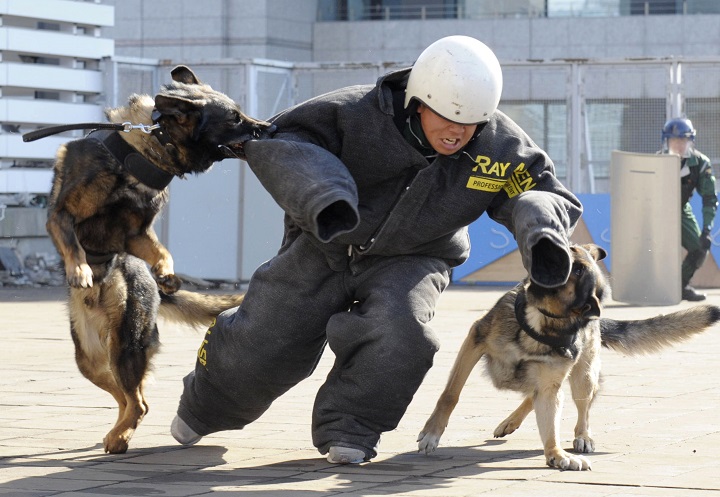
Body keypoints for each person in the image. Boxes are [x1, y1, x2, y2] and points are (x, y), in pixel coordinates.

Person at [171, 35, 583, 464]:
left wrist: (543, 235)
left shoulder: (499, 148)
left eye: (473, 123)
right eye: (446, 117)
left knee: (401, 332)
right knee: (268, 340)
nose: (459, 132)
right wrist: (323, 197)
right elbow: (286, 143)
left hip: (416, 256)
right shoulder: (350, 113)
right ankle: (205, 406)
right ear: (418, 101)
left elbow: (540, 191)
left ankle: (352, 427)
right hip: (325, 241)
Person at [661, 117, 717, 301]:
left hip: (680, 210)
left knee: (700, 248)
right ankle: (648, 289)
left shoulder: (700, 164)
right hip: (656, 211)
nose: (677, 145)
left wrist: (707, 228)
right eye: (673, 140)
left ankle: (679, 287)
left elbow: (709, 198)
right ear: (666, 141)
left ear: (690, 141)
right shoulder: (656, 161)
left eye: (682, 140)